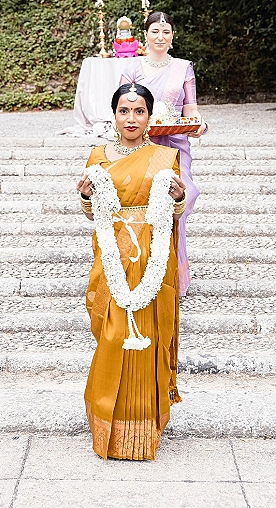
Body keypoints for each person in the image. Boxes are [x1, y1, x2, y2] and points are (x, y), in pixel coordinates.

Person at [77, 82, 186, 461]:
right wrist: (86, 196)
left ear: (149, 116)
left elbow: (174, 211)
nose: (131, 118)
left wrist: (177, 198)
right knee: (112, 331)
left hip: (154, 256)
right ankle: (107, 424)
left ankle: (144, 429)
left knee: (151, 333)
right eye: (124, 110)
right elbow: (92, 214)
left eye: (139, 111)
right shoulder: (97, 155)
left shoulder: (163, 157)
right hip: (113, 255)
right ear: (114, 114)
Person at [119, 11, 206, 295]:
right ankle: (139, 273)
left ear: (172, 36)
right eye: (155, 31)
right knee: (143, 206)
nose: (161, 37)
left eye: (166, 32)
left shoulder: (183, 68)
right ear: (145, 34)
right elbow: (121, 109)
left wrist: (197, 123)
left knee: (178, 201)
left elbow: (190, 108)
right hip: (141, 146)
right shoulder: (132, 67)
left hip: (175, 145)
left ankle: (172, 279)